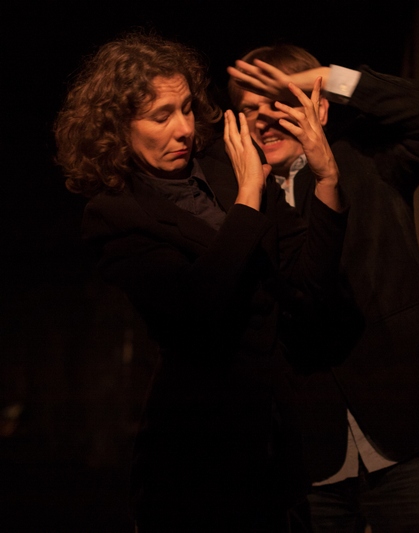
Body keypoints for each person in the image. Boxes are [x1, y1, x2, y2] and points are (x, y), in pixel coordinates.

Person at [53, 31, 347, 531]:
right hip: (198, 456)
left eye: (187, 108)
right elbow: (201, 306)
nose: (185, 129)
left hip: (274, 446)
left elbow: (304, 281)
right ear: (117, 128)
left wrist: (327, 182)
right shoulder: (115, 215)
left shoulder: (221, 165)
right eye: (161, 116)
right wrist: (250, 196)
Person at [227, 45, 419, 532]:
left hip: (408, 429)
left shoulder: (367, 161)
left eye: (279, 101)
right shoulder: (237, 202)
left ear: (319, 106)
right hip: (308, 453)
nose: (263, 119)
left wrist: (325, 76)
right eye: (250, 109)